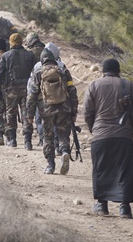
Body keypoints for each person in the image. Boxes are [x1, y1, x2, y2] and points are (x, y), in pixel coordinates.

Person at [83, 58, 133, 218]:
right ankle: (125, 208)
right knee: (125, 170)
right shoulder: (127, 85)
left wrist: (93, 128)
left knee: (101, 169)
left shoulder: (93, 85)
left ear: (103, 71)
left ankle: (102, 205)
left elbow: (87, 112)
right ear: (118, 70)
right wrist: (129, 126)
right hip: (123, 136)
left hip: (100, 134)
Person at [27, 46, 78, 175]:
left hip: (46, 110)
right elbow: (72, 91)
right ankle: (65, 152)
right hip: (63, 108)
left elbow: (32, 95)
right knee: (63, 134)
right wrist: (74, 111)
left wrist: (30, 114)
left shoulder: (38, 72)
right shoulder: (63, 70)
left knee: (48, 137)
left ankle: (50, 165)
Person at [0, 33, 37, 149]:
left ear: (11, 42)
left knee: (10, 114)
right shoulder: (30, 55)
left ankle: (12, 140)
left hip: (11, 90)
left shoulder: (6, 56)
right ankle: (28, 141)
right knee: (26, 114)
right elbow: (35, 73)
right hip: (27, 90)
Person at [25, 32, 46, 146]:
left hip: (35, 86)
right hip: (51, 88)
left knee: (38, 116)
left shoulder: (29, 54)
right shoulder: (48, 51)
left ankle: (42, 139)